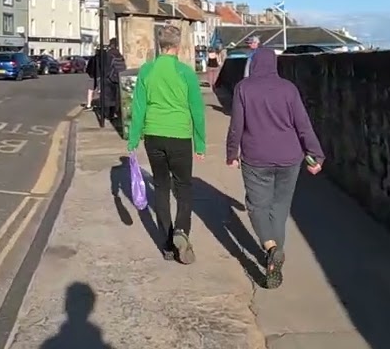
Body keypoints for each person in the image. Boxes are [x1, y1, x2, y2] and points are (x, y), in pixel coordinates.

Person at [225, 46, 323, 289]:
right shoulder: (289, 89)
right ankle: (274, 255)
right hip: (290, 157)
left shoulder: (243, 88)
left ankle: (271, 249)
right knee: (280, 207)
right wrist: (316, 154)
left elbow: (237, 124)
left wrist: (231, 153)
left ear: (254, 64)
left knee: (257, 205)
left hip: (256, 157)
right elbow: (303, 125)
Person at [126, 24, 206, 264]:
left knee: (161, 187)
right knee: (183, 187)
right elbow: (197, 110)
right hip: (180, 136)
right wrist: (200, 144)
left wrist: (133, 138)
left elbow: (137, 107)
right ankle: (182, 230)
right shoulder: (186, 73)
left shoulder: (146, 71)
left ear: (159, 45)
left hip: (153, 135)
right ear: (178, 46)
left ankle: (167, 244)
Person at [90, 38, 126, 123]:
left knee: (106, 98)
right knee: (115, 98)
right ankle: (112, 114)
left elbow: (105, 66)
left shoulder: (108, 54)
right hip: (117, 78)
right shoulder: (119, 54)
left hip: (108, 78)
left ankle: (106, 115)